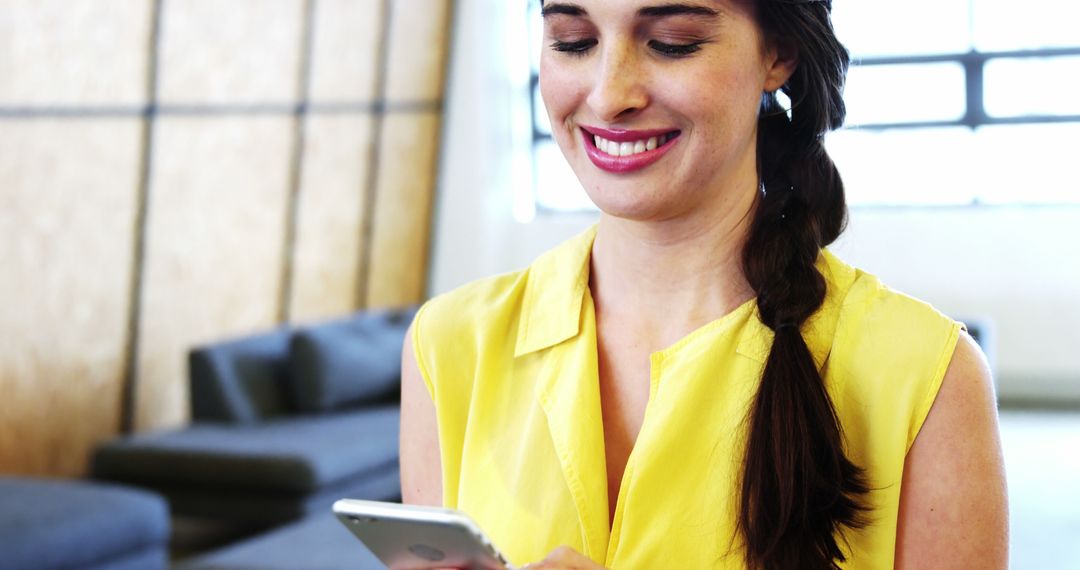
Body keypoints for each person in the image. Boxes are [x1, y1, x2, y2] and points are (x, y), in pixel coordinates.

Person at [400, 0, 1008, 568]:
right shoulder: (449, 343)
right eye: (573, 40)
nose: (609, 96)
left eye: (671, 43)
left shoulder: (929, 377)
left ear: (779, 55)